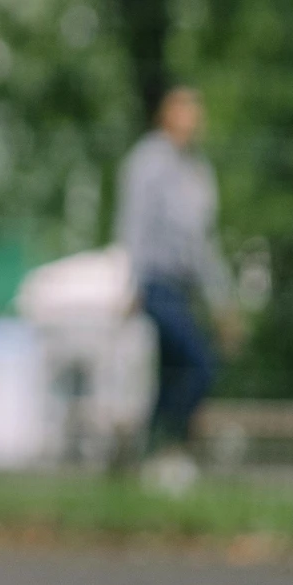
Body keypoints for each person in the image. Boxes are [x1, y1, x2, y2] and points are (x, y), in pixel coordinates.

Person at [116, 85, 228, 475]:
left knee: (171, 374)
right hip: (156, 284)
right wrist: (131, 283)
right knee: (200, 364)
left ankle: (144, 457)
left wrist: (219, 298)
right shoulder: (148, 161)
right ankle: (165, 445)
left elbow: (204, 242)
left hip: (184, 289)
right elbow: (134, 223)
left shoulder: (197, 170)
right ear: (167, 114)